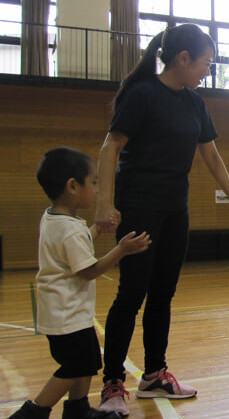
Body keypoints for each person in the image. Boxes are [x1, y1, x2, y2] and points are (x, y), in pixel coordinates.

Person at [94, 24, 229, 415]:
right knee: (132, 294)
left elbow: (211, 156)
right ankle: (113, 381)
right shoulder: (143, 94)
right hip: (140, 206)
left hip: (175, 210)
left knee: (163, 293)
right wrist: (104, 204)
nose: (207, 71)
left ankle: (154, 374)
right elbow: (110, 147)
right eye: (205, 63)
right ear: (183, 59)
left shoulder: (195, 103)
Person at [10, 148, 151, 419]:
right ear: (73, 186)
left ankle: (78, 409)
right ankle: (33, 412)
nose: (98, 189)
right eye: (94, 182)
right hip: (67, 316)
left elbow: (74, 248)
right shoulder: (68, 228)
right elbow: (89, 270)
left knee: (86, 362)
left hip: (65, 313)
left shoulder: (56, 218)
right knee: (76, 365)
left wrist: (97, 230)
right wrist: (121, 249)